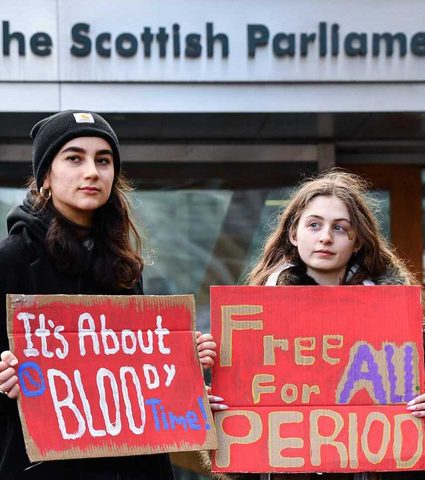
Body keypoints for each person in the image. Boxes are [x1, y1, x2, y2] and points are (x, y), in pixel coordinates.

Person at [0, 110, 216, 480]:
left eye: (103, 160)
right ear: (45, 177)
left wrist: (180, 360)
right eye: (74, 158)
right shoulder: (12, 258)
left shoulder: (123, 263)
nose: (91, 171)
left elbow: (135, 374)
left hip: (134, 464)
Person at [207, 170, 423, 480]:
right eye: (314, 225)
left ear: (358, 240)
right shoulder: (251, 321)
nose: (325, 237)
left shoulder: (403, 323)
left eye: (339, 227)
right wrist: (217, 415)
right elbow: (239, 454)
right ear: (294, 235)